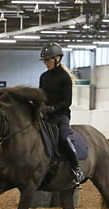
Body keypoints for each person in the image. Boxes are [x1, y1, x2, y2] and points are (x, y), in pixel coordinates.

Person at [39, 42, 84, 184]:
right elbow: (41, 95)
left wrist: (52, 108)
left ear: (57, 59)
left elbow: (67, 101)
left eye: (48, 60)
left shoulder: (65, 78)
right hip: (45, 116)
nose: (46, 63)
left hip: (61, 116)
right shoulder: (43, 77)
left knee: (64, 138)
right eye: (45, 61)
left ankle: (76, 168)